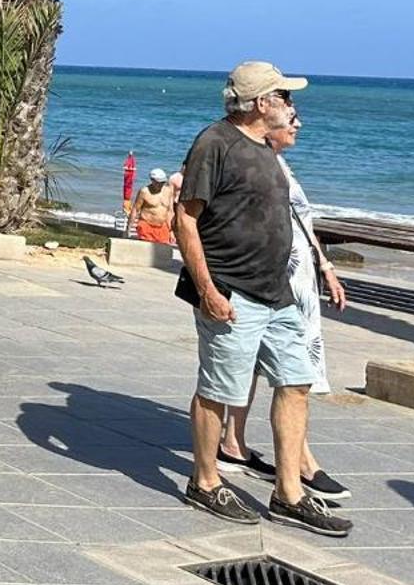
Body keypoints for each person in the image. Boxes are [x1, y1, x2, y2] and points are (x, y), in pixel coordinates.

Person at [176, 61, 347, 537]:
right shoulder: (215, 144)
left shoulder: (268, 148)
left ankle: (289, 493)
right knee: (219, 389)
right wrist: (208, 290)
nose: (292, 105)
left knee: (295, 384)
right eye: (285, 96)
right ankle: (206, 482)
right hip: (231, 292)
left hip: (279, 295)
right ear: (261, 103)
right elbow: (185, 220)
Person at [220, 107, 350, 501]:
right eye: (291, 116)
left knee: (271, 366)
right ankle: (299, 463)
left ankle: (234, 442)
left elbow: (301, 222)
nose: (298, 123)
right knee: (287, 371)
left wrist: (325, 266)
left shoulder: (278, 165)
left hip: (293, 273)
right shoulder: (248, 160)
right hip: (272, 277)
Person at [129, 169, 178, 244]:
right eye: (159, 182)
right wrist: (129, 227)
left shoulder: (168, 191)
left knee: (162, 251)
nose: (161, 184)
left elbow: (170, 211)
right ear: (152, 180)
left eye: (163, 182)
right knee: (147, 250)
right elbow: (135, 209)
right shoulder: (144, 192)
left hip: (162, 227)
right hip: (146, 226)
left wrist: (172, 231)